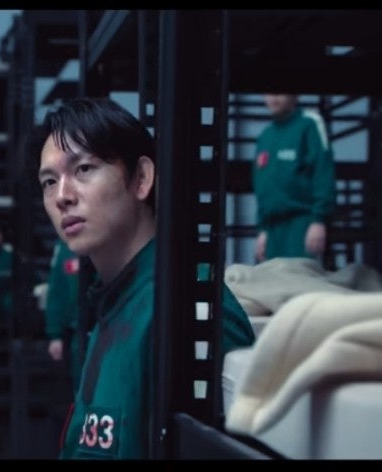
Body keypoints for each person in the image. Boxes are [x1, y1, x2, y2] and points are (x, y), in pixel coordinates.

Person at [36, 98, 256, 459]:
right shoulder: (114, 303)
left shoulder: (186, 307)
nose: (62, 196)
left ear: (141, 179)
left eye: (84, 169)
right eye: (49, 181)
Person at [252, 94, 336, 262]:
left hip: (302, 225)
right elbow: (261, 186)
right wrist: (263, 230)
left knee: (302, 277)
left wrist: (318, 221)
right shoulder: (265, 136)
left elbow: (323, 172)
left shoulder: (309, 124)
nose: (273, 96)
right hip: (272, 230)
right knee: (269, 278)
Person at [44, 239, 84, 391]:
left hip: (112, 326)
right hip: (79, 330)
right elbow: (56, 292)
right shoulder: (64, 248)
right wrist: (55, 334)